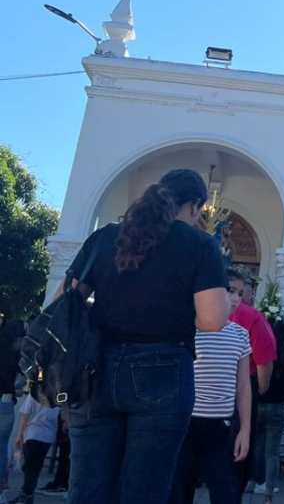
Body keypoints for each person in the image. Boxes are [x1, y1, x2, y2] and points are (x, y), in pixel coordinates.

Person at [65, 168, 228, 504]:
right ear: (195, 206)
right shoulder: (200, 245)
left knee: (87, 488)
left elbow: (66, 302)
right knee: (144, 491)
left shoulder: (106, 237)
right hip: (163, 370)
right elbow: (213, 320)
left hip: (95, 368)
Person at [170, 280, 252, 504]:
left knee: (226, 492)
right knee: (178, 491)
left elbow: (244, 386)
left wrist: (245, 429)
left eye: (240, 293)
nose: (236, 298)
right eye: (231, 291)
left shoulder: (241, 334)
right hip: (186, 422)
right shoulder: (188, 328)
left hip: (221, 426)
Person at [227, 268, 277, 497]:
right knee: (235, 462)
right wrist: (260, 389)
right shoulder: (253, 318)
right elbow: (264, 360)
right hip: (242, 389)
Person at [255, 318, 284, 503]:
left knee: (257, 444)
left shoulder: (266, 349)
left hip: (261, 401)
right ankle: (269, 492)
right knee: (272, 451)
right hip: (279, 403)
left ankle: (255, 480)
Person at [0, 319, 24, 495]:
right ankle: (2, 486)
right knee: (2, 447)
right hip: (7, 402)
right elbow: (22, 382)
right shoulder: (17, 356)